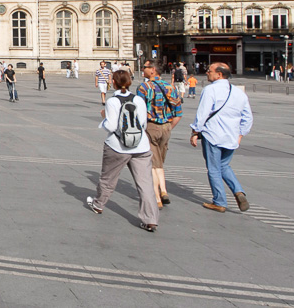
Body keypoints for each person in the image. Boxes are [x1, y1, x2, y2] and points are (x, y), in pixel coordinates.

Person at [86, 70, 159, 233]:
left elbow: (111, 126)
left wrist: (104, 117)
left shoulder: (112, 101)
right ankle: (150, 220)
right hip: (141, 146)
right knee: (145, 183)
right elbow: (143, 124)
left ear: (114, 82)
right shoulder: (139, 100)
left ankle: (98, 204)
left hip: (118, 146)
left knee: (108, 178)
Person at [189, 63, 252, 213]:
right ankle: (238, 192)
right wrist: (241, 134)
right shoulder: (239, 93)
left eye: (209, 71)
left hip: (213, 135)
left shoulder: (210, 90)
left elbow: (203, 113)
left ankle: (219, 201)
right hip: (231, 137)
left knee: (214, 169)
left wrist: (195, 131)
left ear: (219, 74)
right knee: (224, 165)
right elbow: (248, 117)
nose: (206, 73)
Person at [134, 62, 182, 207]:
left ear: (153, 70)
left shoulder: (144, 87)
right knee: (160, 161)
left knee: (153, 164)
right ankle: (164, 190)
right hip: (167, 126)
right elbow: (178, 113)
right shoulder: (171, 87)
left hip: (151, 126)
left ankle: (157, 197)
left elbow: (139, 110)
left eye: (146, 67)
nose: (143, 69)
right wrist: (168, 127)